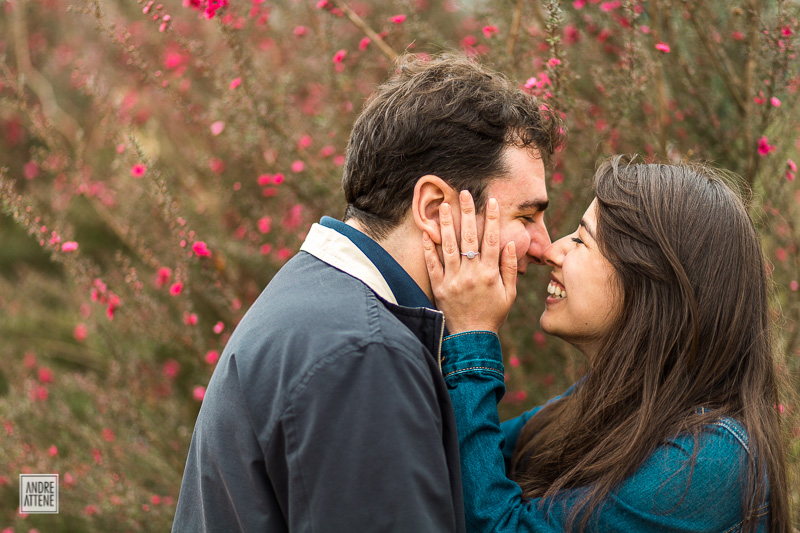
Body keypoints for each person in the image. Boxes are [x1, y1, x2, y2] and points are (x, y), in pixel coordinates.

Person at [172, 52, 564, 532]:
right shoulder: (364, 354)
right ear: (434, 208)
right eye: (526, 216)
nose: (544, 246)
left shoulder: (321, 303)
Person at [423, 155, 792, 532]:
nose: (551, 251)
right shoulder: (612, 404)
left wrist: (471, 335)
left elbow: (499, 525)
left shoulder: (710, 461)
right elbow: (456, 459)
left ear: (648, 283)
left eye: (581, 240)